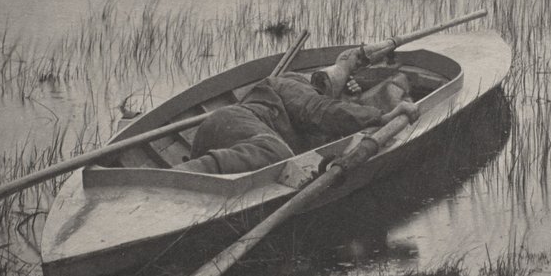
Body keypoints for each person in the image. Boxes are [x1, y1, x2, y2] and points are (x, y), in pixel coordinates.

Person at [175, 48, 417, 175]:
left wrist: (354, 100)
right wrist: (380, 116)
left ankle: (196, 179)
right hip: (230, 123)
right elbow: (320, 109)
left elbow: (330, 116)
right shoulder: (291, 83)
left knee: (282, 159)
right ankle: (180, 177)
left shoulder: (320, 129)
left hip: (236, 145)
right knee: (278, 154)